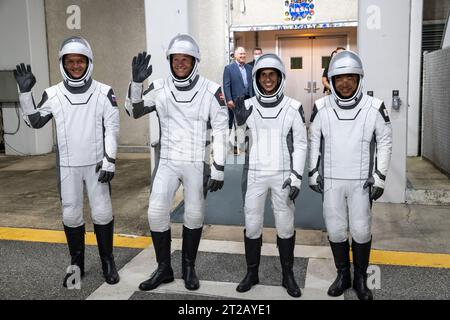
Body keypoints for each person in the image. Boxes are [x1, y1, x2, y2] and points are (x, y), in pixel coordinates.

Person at [13, 36, 120, 287]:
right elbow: (34, 122)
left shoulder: (104, 92)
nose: (75, 66)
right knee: (71, 215)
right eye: (70, 61)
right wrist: (25, 94)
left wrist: (110, 160)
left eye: (80, 61)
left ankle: (108, 262)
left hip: (97, 165)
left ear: (88, 62)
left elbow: (112, 130)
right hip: (68, 167)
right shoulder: (53, 93)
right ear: (63, 63)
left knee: (103, 212)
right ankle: (77, 264)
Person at [124, 34, 228, 291]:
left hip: (195, 161)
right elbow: (133, 111)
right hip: (168, 161)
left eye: (186, 60)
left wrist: (218, 166)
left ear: (195, 62)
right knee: (156, 213)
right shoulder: (158, 87)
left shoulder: (211, 90)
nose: (180, 64)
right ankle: (164, 268)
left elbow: (221, 129)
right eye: (176, 60)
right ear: (169, 61)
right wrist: (136, 84)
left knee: (194, 214)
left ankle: (189, 268)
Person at [308, 50, 392, 300]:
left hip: (360, 182)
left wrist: (380, 175)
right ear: (331, 80)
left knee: (361, 230)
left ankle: (360, 279)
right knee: (335, 229)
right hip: (332, 181)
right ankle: (342, 274)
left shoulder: (374, 106)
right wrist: (313, 172)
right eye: (339, 78)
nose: (345, 83)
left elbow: (385, 141)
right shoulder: (321, 106)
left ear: (359, 79)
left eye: (350, 77)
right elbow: (314, 140)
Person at [233, 53, 307, 298]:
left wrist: (297, 176)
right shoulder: (248, 106)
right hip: (254, 174)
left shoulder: (294, 107)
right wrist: (238, 122)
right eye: (263, 75)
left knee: (285, 227)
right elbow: (236, 144)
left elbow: (301, 144)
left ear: (279, 77)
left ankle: (288, 275)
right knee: (252, 225)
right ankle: (251, 273)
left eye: (271, 75)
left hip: (283, 176)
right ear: (257, 78)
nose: (267, 79)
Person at [223, 46, 254, 155]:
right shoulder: (229, 68)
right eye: (240, 54)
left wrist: (254, 98)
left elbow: (252, 84)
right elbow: (226, 85)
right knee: (233, 123)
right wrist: (229, 99)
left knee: (247, 123)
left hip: (248, 99)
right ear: (235, 55)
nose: (243, 56)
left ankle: (246, 145)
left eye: (244, 54)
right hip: (235, 101)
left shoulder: (249, 68)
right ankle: (232, 146)